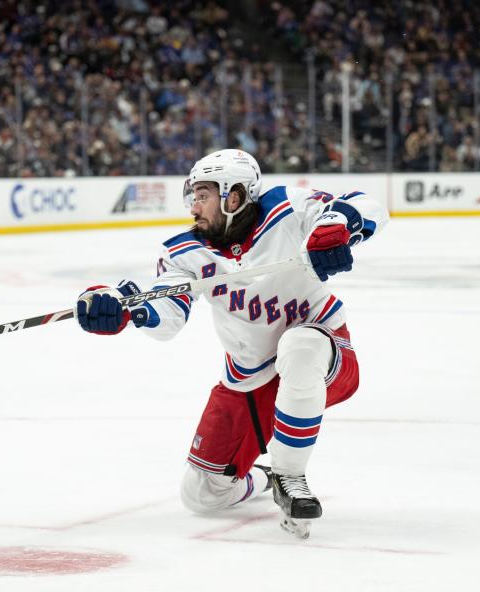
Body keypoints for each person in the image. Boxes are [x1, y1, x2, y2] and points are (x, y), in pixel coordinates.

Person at [75, 149, 388, 538]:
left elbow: (366, 204)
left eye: (203, 195)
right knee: (202, 496)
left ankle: (291, 478)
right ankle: (264, 477)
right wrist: (126, 310)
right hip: (249, 379)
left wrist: (338, 227)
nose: (194, 208)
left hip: (325, 354)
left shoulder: (287, 208)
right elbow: (168, 314)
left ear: (234, 196)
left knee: (300, 346)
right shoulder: (184, 252)